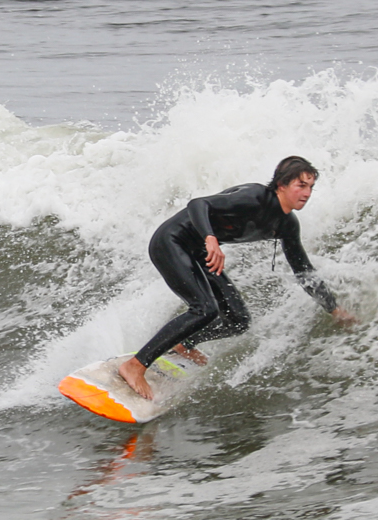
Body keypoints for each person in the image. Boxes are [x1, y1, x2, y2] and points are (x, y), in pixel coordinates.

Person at [117, 155, 357, 400]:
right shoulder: (253, 197)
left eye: (310, 187)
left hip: (198, 252)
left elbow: (303, 270)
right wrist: (211, 239)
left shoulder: (287, 225)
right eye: (301, 185)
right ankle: (135, 365)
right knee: (204, 309)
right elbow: (198, 204)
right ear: (281, 185)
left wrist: (334, 310)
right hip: (171, 241)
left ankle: (184, 346)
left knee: (238, 320)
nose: (307, 193)